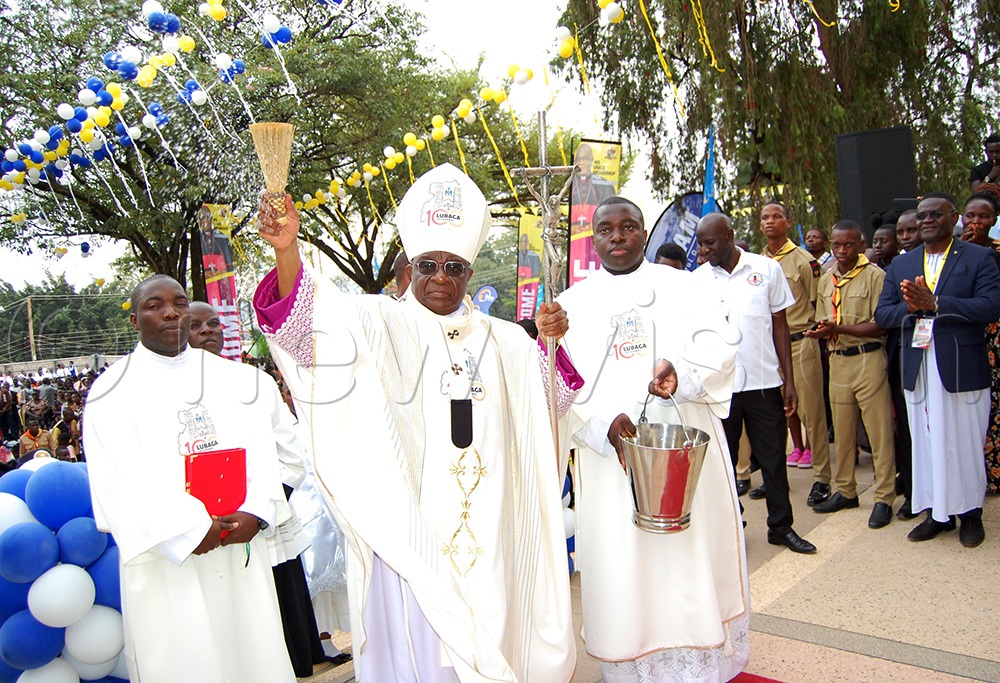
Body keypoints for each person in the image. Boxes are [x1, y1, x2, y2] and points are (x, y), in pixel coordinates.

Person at [254, 163, 577, 682]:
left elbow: (555, 407)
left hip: (491, 531)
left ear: (471, 273)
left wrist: (551, 343)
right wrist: (287, 250)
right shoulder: (376, 323)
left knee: (490, 627)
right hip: (409, 534)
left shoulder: (509, 343)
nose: (441, 279)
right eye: (429, 265)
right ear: (409, 268)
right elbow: (309, 334)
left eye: (455, 267)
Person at [557, 197, 749, 682]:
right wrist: (602, 426)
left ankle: (697, 663)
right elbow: (562, 380)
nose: (617, 236)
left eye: (627, 227)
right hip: (610, 460)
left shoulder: (683, 287)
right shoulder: (573, 302)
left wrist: (679, 374)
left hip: (683, 441)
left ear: (643, 233)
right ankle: (634, 667)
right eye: (606, 229)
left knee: (688, 554)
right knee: (624, 562)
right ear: (593, 238)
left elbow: (720, 348)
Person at [83, 275, 297, 683]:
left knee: (253, 656)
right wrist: (188, 530)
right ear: (134, 320)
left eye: (179, 303)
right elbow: (117, 479)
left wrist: (257, 512)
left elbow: (269, 454)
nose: (170, 312)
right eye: (154, 305)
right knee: (185, 659)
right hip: (167, 560)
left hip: (237, 548)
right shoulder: (111, 391)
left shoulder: (240, 380)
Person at [187, 300, 339, 677]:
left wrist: (260, 510)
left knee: (274, 612)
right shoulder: (164, 391)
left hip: (259, 518)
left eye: (213, 324)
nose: (207, 331)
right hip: (198, 529)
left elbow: (290, 450)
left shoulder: (255, 382)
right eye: (196, 325)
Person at [875, 192, 1000, 548]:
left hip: (960, 365)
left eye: (935, 214)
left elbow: (991, 307)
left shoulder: (979, 258)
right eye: (922, 215)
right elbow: (882, 315)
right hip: (918, 366)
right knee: (926, 441)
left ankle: (970, 514)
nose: (927, 220)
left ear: (953, 217)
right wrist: (913, 309)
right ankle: (936, 514)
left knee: (964, 441)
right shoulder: (902, 264)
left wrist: (937, 303)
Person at [693, 213, 816, 554]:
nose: (703, 250)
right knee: (724, 464)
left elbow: (781, 325)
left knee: (774, 459)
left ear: (730, 235)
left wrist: (788, 381)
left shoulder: (767, 270)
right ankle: (733, 528)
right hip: (719, 390)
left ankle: (781, 527)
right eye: (700, 243)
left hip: (763, 384)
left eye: (710, 242)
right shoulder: (697, 280)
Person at [805, 221, 896, 528]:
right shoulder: (827, 279)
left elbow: (882, 324)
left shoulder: (875, 276)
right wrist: (818, 332)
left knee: (879, 432)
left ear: (860, 245)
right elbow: (823, 318)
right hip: (838, 359)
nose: (841, 251)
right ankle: (846, 490)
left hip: (868, 358)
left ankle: (884, 496)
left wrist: (838, 328)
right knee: (842, 433)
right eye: (836, 245)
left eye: (848, 245)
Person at [758, 202, 831, 510]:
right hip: (767, 348)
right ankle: (775, 479)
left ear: (788, 222)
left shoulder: (804, 260)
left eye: (776, 216)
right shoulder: (756, 263)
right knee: (772, 417)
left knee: (811, 413)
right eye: (764, 217)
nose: (770, 221)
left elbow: (817, 301)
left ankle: (823, 479)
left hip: (800, 341)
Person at [959, 186, 1000, 495]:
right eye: (971, 215)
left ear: (994, 219)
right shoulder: (955, 251)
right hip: (969, 337)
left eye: (984, 216)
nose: (977, 222)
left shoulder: (997, 252)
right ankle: (973, 476)